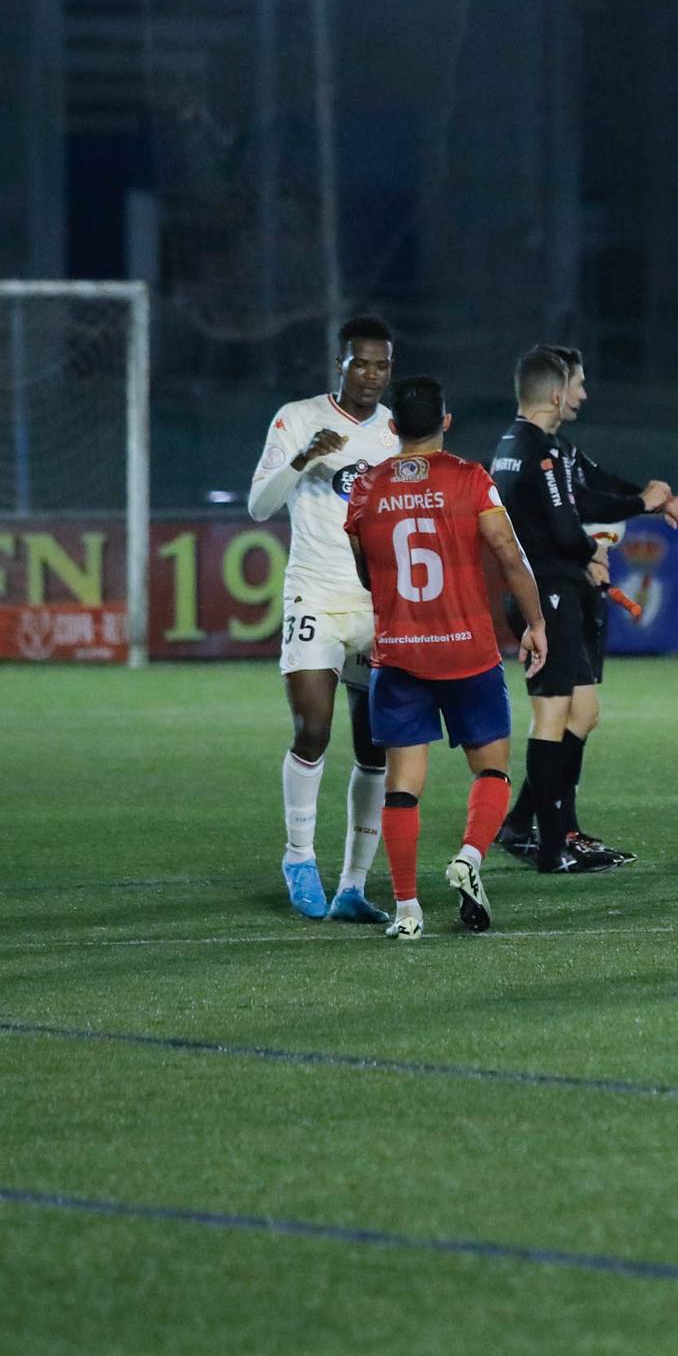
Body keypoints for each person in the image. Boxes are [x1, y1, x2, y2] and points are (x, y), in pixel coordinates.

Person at [340, 375, 551, 940]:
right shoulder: (470, 479)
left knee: (402, 785)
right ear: (446, 423)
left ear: (391, 428)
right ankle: (470, 857)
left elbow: (366, 573)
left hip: (400, 653)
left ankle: (407, 908)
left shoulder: (366, 488)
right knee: (493, 769)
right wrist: (535, 622)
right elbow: (509, 554)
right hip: (468, 651)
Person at [487, 344, 678, 871]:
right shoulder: (539, 450)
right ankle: (553, 847)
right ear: (556, 393)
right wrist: (594, 549)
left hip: (548, 589)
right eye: (577, 384)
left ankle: (534, 826)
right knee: (553, 715)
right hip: (548, 594)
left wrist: (648, 499)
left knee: (581, 713)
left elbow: (588, 492)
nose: (582, 393)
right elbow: (564, 524)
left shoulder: (517, 444)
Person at [244, 314, 400, 920]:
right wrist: (305, 458)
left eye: (381, 365)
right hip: (313, 594)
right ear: (340, 365)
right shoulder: (298, 417)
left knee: (375, 748)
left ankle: (354, 886)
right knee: (314, 729)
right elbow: (259, 505)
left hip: (375, 605)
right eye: (360, 362)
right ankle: (299, 857)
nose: (370, 374)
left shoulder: (392, 433)